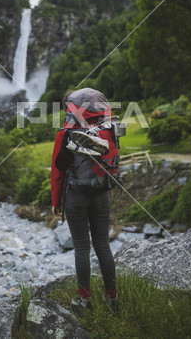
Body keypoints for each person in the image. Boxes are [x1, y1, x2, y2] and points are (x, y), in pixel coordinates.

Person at [51, 88, 119, 312]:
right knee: (103, 246)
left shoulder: (65, 133)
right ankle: (112, 299)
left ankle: (84, 301)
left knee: (81, 249)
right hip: (102, 194)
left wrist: (55, 202)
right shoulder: (108, 129)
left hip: (76, 197)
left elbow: (57, 172)